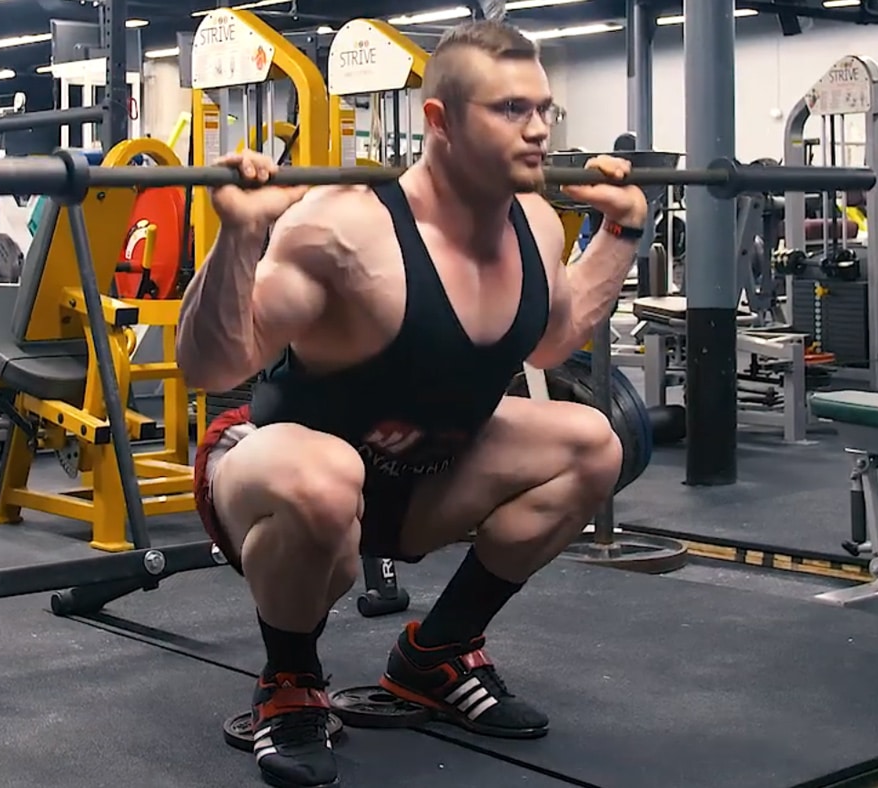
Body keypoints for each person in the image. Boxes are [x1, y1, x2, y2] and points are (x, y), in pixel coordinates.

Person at [177, 18, 647, 788]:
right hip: (282, 471)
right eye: (510, 110)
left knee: (591, 443)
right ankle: (290, 677)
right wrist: (238, 239)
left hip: (422, 469)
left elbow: (553, 342)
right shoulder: (344, 226)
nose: (537, 130)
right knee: (323, 479)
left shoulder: (534, 221)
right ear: (441, 120)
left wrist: (620, 233)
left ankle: (437, 655)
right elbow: (211, 366)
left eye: (544, 109)